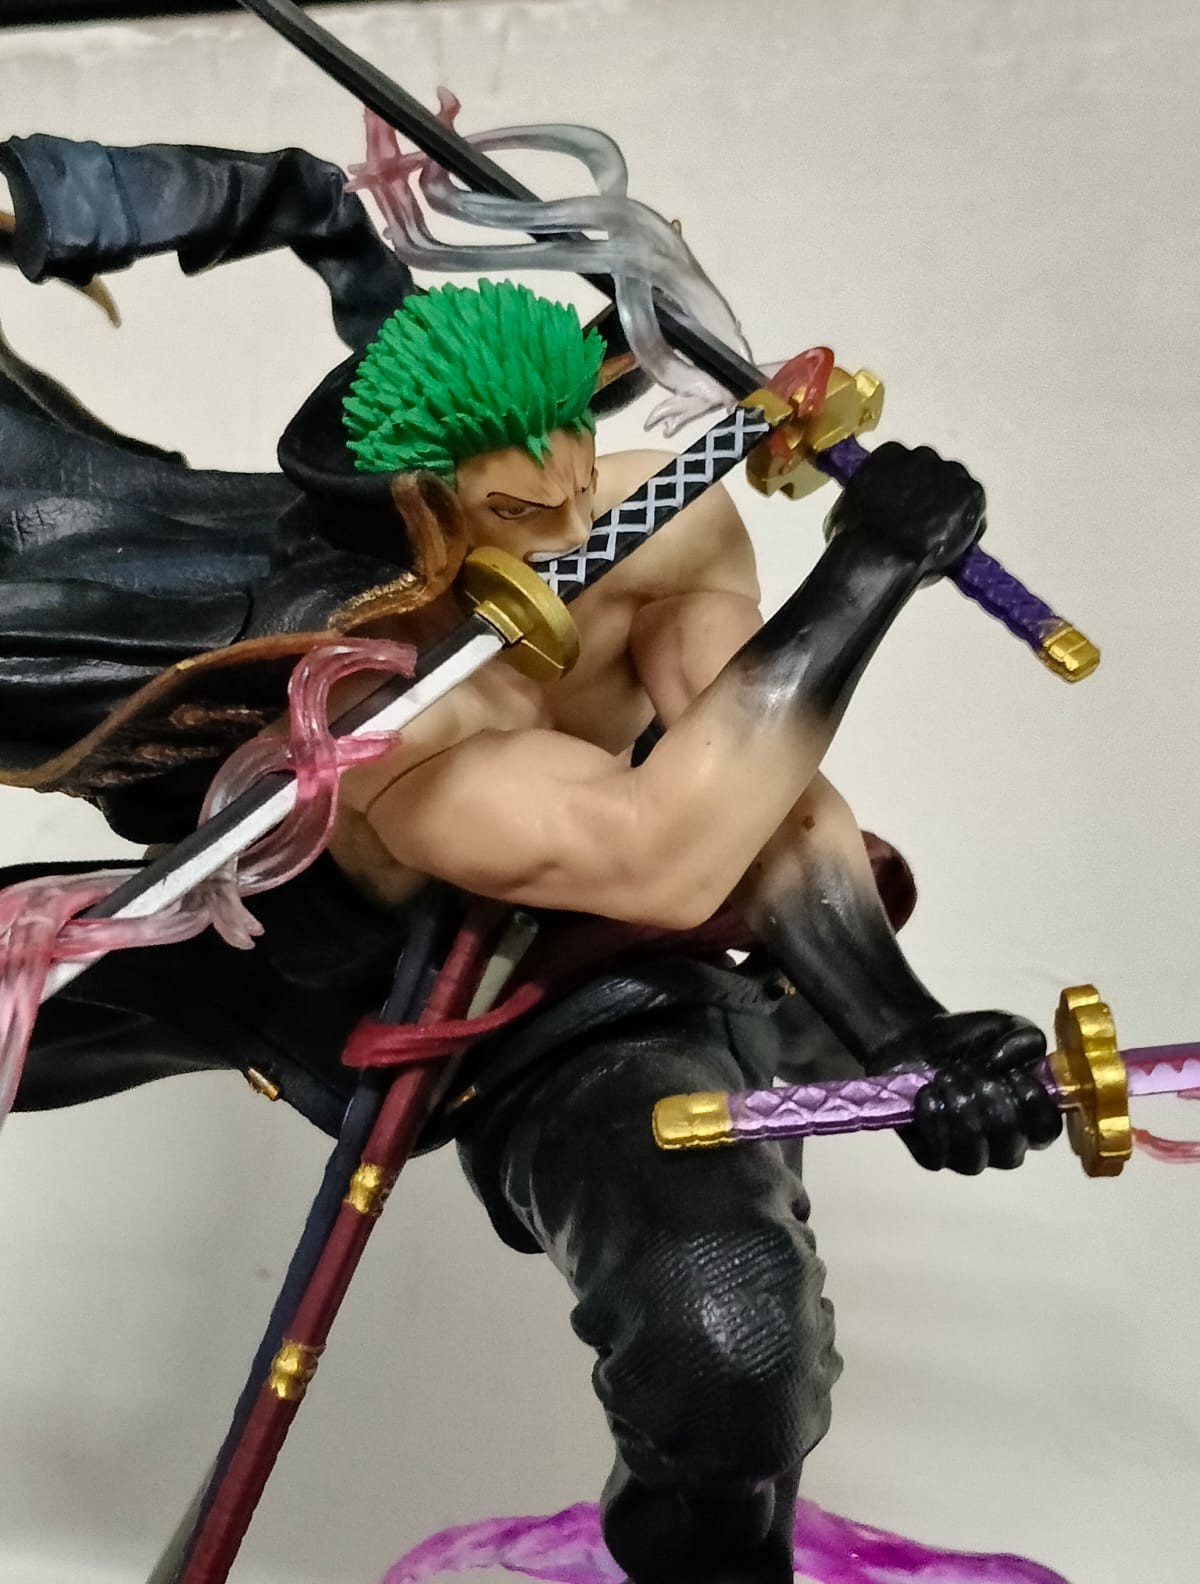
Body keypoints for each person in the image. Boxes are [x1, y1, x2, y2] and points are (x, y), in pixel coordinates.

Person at [1, 136, 1060, 1584]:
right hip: (317, 944)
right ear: (418, 508)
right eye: (517, 512)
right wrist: (865, 577)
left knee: (728, 1345)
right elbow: (662, 849)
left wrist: (906, 1029)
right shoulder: (383, 706)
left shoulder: (658, 515)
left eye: (577, 468)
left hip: (580, 983)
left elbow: (756, 795)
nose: (578, 528)